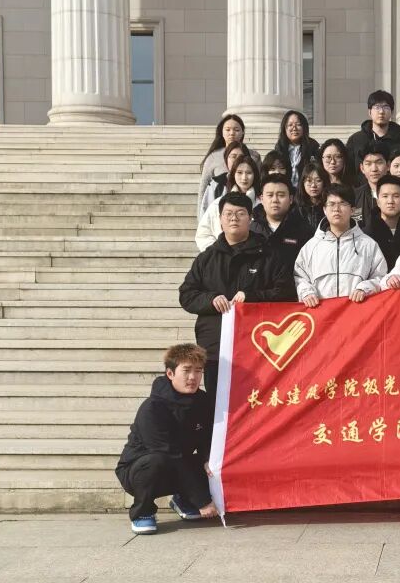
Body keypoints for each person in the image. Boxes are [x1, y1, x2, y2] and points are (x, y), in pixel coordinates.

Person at [179, 193, 294, 398]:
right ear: (220, 219)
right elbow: (187, 294)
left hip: (258, 347)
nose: (234, 218)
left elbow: (287, 292)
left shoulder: (269, 256)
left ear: (250, 217)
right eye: (228, 214)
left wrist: (252, 297)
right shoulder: (207, 258)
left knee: (258, 403)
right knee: (218, 402)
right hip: (216, 347)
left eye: (240, 213)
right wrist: (211, 299)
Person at [115, 343, 219, 535]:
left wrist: (207, 459)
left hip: (178, 463)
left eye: (198, 371)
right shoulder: (152, 408)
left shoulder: (203, 402)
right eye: (186, 370)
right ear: (170, 374)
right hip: (140, 470)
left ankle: (183, 500)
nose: (193, 377)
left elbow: (207, 437)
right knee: (157, 460)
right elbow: (168, 454)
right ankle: (143, 512)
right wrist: (202, 500)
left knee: (214, 460)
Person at [295, 183, 387, 305]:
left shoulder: (368, 245)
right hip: (321, 312)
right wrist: (307, 292)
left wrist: (364, 288)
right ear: (324, 209)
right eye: (331, 204)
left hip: (357, 311)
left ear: (352, 210)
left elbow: (380, 277)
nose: (336, 209)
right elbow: (300, 276)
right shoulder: (311, 246)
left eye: (342, 203)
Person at [197, 114, 262, 217]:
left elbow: (259, 182)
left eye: (236, 130)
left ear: (243, 132)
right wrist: (201, 218)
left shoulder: (254, 156)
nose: (232, 133)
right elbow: (204, 188)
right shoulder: (213, 157)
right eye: (227, 130)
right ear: (221, 132)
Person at [195, 155, 261, 251]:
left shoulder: (262, 204)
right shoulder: (218, 204)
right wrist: (217, 252)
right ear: (233, 174)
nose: (244, 177)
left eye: (249, 173)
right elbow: (203, 233)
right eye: (239, 172)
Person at [252, 173, 315, 268]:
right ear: (262, 199)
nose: (275, 200)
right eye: (270, 195)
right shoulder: (250, 230)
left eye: (281, 195)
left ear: (291, 199)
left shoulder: (305, 231)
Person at [364, 176, 400, 270]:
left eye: (396, 196)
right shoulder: (366, 235)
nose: (390, 201)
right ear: (378, 202)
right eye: (385, 196)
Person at [345, 90, 400, 168]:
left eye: (386, 107)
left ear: (392, 112)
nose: (381, 111)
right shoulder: (355, 140)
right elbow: (349, 171)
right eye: (377, 107)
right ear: (369, 112)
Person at [199, 140, 247, 218]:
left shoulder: (254, 183)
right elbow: (206, 214)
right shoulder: (216, 184)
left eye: (241, 157)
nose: (237, 160)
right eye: (233, 156)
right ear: (226, 159)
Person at [273, 110, 320, 189]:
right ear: (284, 128)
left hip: (306, 190)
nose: (294, 128)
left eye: (298, 124)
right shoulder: (280, 147)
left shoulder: (312, 147)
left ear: (304, 127)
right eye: (290, 125)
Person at [353, 145, 391, 227]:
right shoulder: (354, 196)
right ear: (362, 168)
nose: (374, 169)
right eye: (368, 164)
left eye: (379, 163)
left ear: (388, 166)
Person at [296, 161, 330, 230]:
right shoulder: (296, 209)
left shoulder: (330, 206)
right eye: (309, 181)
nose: (313, 185)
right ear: (303, 183)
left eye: (318, 180)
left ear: (324, 182)